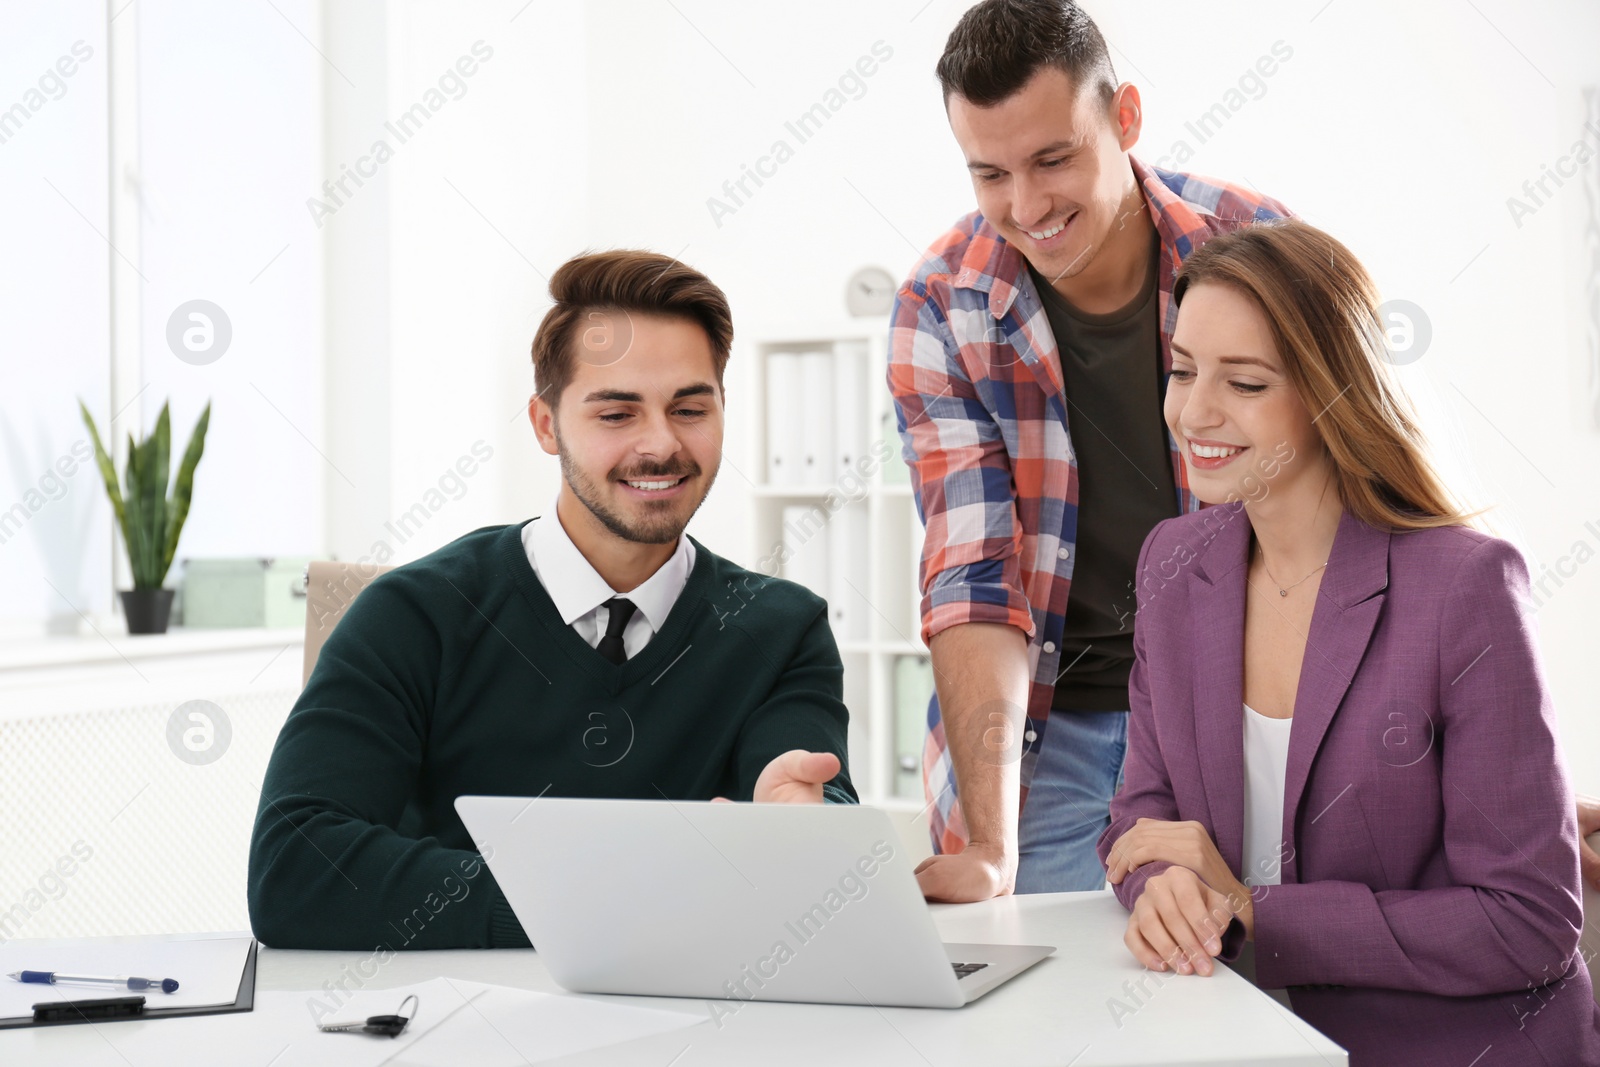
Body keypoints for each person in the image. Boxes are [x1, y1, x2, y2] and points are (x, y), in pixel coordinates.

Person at [1096, 218, 1600, 1065]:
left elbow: (1529, 919)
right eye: (1183, 370)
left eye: (1245, 383)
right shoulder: (1174, 565)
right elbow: (1142, 817)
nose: (1194, 411)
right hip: (1232, 1031)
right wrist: (1164, 885)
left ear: (1333, 392)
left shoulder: (1464, 586)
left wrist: (1255, 910)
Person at [248, 250, 855, 950]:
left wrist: (811, 827)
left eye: (690, 408)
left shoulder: (784, 630)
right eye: (617, 412)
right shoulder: (412, 615)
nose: (660, 444)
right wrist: (617, 901)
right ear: (545, 425)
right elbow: (295, 868)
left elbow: (808, 809)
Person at [888, 0, 1291, 901]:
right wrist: (994, 845)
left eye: (1053, 159)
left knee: (1253, 1002)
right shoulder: (941, 306)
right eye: (990, 173)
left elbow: (1356, 506)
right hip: (1048, 730)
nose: (1026, 208)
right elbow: (972, 576)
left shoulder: (1260, 248)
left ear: (1126, 118)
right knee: (1049, 1012)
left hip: (1241, 708)